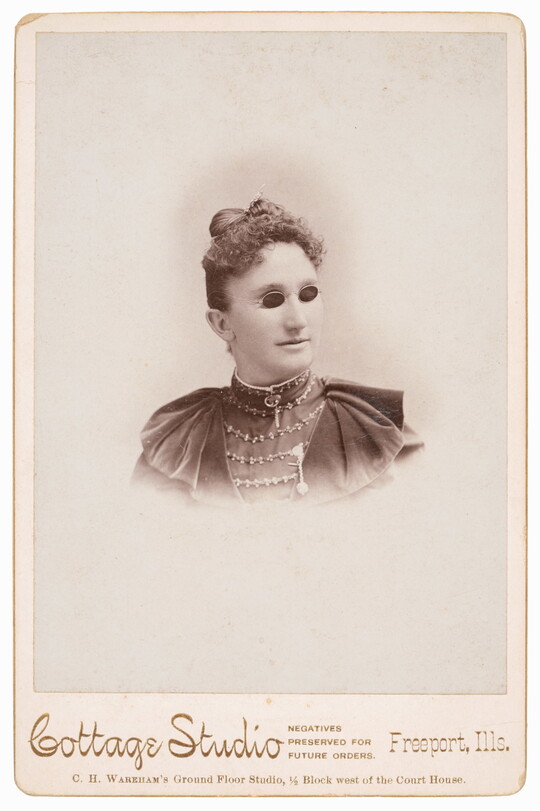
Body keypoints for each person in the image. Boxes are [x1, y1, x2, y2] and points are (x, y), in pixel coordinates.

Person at [132, 194, 422, 506]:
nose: (298, 321)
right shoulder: (179, 446)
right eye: (272, 299)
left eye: (308, 294)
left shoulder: (378, 433)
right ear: (222, 324)